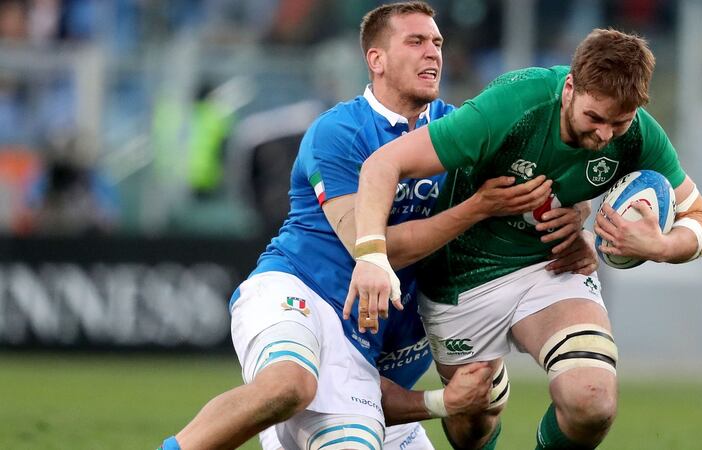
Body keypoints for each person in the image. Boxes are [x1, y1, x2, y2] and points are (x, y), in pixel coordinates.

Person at [159, 3, 594, 449]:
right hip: (302, 291)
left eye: (437, 43)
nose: (433, 52)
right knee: (288, 385)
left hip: (373, 330)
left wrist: (576, 221)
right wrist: (477, 207)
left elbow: (545, 180)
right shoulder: (339, 131)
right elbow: (371, 249)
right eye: (416, 41)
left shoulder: (463, 129)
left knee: (368, 413)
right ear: (376, 59)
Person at [347, 28, 702, 449]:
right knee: (472, 424)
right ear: (570, 88)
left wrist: (661, 246)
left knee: (592, 400)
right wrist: (371, 256)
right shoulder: (510, 107)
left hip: (550, 267)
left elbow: (701, 220)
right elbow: (383, 164)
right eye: (595, 118)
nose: (605, 135)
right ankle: (486, 398)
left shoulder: (638, 135)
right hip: (461, 277)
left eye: (620, 122)